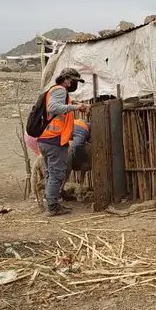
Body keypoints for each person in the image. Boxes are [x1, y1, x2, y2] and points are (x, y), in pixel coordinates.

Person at [38, 68, 89, 216]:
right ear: (66, 79)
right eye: (74, 81)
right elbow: (53, 107)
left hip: (46, 139)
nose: (75, 84)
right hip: (54, 140)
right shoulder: (60, 90)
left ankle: (51, 202)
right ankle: (53, 207)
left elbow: (64, 103)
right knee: (56, 174)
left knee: (50, 174)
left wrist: (78, 104)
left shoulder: (57, 91)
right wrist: (76, 107)